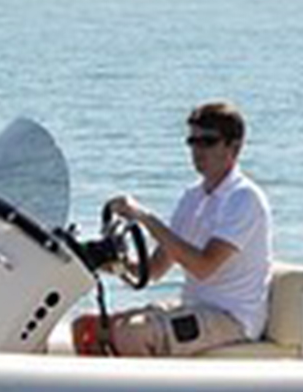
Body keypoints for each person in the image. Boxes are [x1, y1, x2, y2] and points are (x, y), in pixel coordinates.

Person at [101, 101, 274, 357]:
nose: (197, 150)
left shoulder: (244, 198)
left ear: (234, 147)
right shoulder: (192, 197)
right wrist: (113, 263)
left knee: (133, 333)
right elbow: (155, 270)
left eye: (208, 141)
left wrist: (144, 217)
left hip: (232, 319)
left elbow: (203, 266)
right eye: (192, 142)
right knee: (98, 327)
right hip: (196, 308)